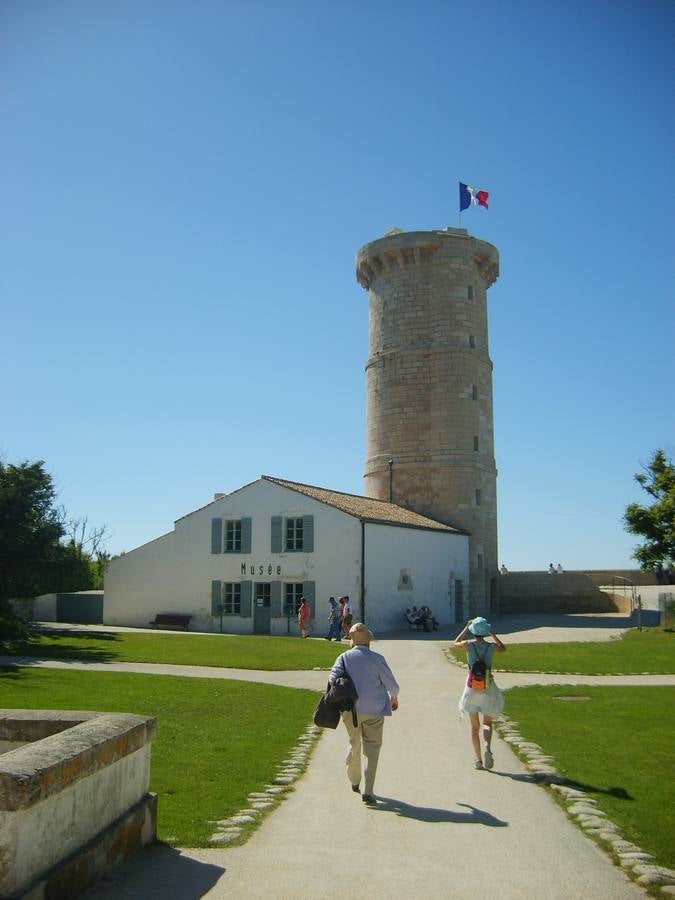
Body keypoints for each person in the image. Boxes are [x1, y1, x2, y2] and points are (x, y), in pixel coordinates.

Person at [329, 622, 399, 805]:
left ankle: (354, 779)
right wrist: (394, 697)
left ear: (351, 640)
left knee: (354, 744)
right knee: (372, 749)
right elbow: (392, 685)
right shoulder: (377, 658)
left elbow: (332, 679)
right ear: (368, 641)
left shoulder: (343, 658)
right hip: (375, 709)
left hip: (350, 709)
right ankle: (368, 791)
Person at [453, 616, 505, 771]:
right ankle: (487, 746)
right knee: (487, 723)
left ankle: (478, 761)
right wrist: (492, 633)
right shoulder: (490, 647)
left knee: (474, 727)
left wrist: (465, 628)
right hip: (487, 686)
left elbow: (454, 643)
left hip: (472, 687)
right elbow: (502, 648)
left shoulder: (468, 645)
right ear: (485, 632)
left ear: (473, 632)